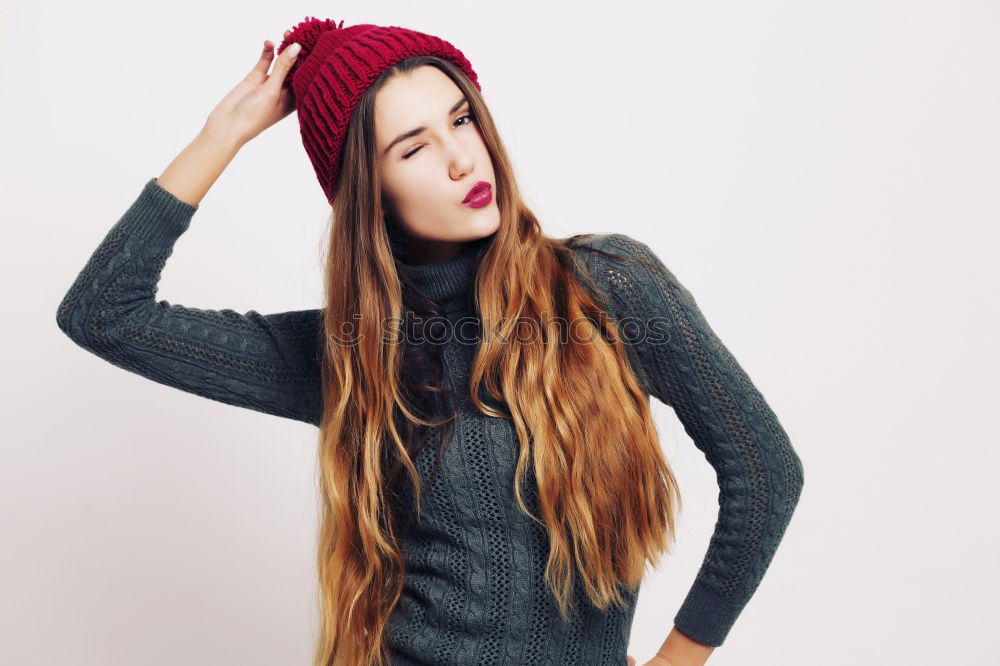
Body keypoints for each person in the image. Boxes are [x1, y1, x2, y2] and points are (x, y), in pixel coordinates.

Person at [55, 16, 805, 666]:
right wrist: (223, 134)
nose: (461, 159)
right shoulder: (353, 354)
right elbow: (102, 314)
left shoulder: (610, 287)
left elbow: (766, 471)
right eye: (412, 149)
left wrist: (684, 653)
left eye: (462, 119)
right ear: (368, 193)